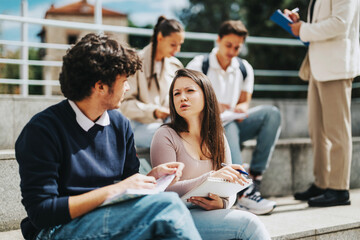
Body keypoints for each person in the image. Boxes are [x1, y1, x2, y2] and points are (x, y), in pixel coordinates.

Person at [15, 33, 201, 240]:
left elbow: (126, 187)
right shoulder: (42, 131)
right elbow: (42, 212)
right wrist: (117, 189)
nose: (128, 88)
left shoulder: (120, 124)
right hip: (56, 229)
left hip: (108, 218)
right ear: (100, 86)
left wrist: (151, 178)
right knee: (168, 208)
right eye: (124, 81)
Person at [151, 69, 271, 240]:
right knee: (249, 223)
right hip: (178, 216)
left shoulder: (218, 136)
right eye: (176, 93)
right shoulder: (165, 135)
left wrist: (222, 203)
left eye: (189, 91)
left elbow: (230, 190)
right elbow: (165, 189)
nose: (182, 97)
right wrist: (210, 178)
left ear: (206, 95)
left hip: (211, 215)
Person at [186, 20, 281, 215]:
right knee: (227, 125)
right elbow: (186, 101)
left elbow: (245, 100)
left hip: (233, 125)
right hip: (206, 129)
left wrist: (240, 108)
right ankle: (244, 191)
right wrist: (212, 105)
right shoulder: (199, 64)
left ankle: (255, 176)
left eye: (237, 47)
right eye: (228, 45)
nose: (232, 51)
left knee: (272, 114)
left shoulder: (244, 68)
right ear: (218, 40)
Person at [285, 0, 360, 207]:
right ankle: (323, 183)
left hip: (335, 68)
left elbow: (340, 23)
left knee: (337, 131)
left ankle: (338, 189)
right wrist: (299, 25)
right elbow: (325, 23)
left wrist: (304, 29)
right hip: (318, 67)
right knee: (317, 130)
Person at [120, 16, 185, 149]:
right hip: (138, 127)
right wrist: (154, 111)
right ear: (160, 37)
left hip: (167, 124)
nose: (177, 50)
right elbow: (124, 104)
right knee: (171, 137)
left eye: (180, 44)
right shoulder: (135, 63)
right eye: (173, 44)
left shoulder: (175, 65)